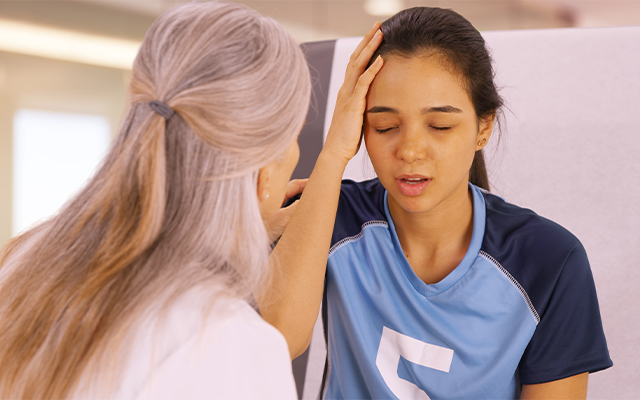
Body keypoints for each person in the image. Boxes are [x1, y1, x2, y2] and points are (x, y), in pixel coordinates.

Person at [261, 7, 613, 399]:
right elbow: (275, 340)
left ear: (483, 127)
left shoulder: (549, 259)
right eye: (385, 126)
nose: (410, 150)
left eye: (440, 126)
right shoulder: (330, 216)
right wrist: (333, 155)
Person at [0, 2, 310, 399]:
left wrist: (244, 226)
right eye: (295, 136)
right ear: (264, 172)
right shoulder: (231, 343)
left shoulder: (25, 261)